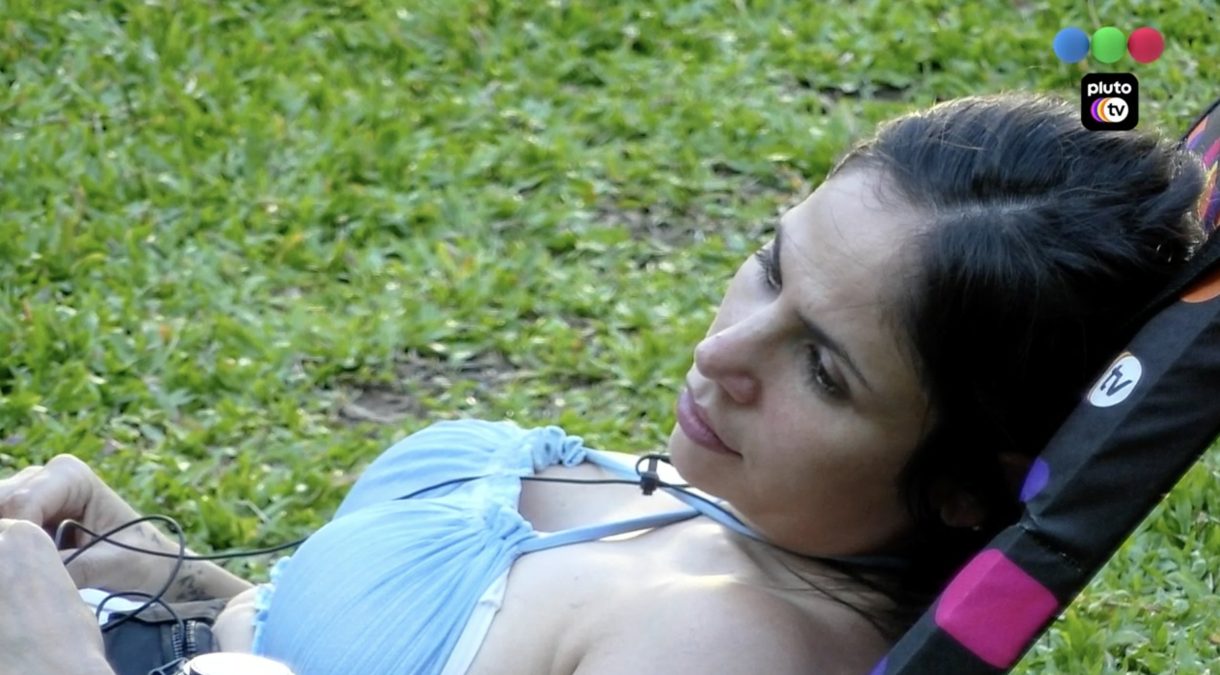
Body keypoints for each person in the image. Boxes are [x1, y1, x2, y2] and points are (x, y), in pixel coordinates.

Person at [0, 93, 1206, 675]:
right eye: (769, 266)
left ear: (961, 488)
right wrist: (153, 573)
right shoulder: (731, 517)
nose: (723, 355)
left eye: (821, 368)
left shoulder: (729, 651)